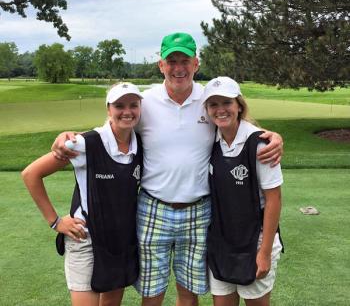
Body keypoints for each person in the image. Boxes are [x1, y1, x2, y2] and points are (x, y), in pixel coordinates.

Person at [52, 32, 284, 306]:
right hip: (153, 207)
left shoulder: (208, 100)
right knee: (152, 292)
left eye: (184, 60)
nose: (178, 68)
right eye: (171, 61)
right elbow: (114, 128)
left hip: (199, 209)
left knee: (188, 292)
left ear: (196, 63)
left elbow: (236, 122)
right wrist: (72, 134)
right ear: (160, 65)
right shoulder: (145, 102)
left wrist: (271, 136)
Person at [22, 82, 143, 306]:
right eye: (119, 105)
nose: (127, 111)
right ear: (108, 109)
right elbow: (31, 174)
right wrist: (55, 222)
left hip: (120, 240)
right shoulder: (86, 143)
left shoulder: (140, 145)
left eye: (133, 105)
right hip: (85, 239)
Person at [203, 76, 283, 306]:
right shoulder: (211, 139)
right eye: (213, 104)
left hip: (255, 242)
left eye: (226, 102)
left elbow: (274, 199)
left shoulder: (260, 144)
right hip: (222, 242)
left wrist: (265, 252)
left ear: (239, 105)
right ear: (207, 110)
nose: (220, 110)